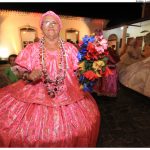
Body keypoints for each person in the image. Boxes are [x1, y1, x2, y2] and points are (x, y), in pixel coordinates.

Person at [0, 11, 100, 147]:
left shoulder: (71, 49)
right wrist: (27, 75)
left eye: (54, 23)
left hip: (69, 98)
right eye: (46, 22)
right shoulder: (31, 49)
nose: (51, 25)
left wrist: (91, 71)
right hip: (34, 97)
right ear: (41, 27)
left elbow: (80, 72)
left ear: (60, 27)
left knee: (80, 130)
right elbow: (18, 70)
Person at [119, 32, 150, 97]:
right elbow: (123, 73)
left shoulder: (144, 64)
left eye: (147, 45)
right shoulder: (141, 62)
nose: (144, 47)